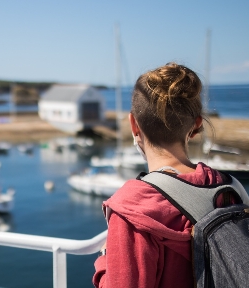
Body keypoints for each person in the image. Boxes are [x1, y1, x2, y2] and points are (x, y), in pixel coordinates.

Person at [93, 62, 228, 288]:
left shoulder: (133, 209)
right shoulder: (227, 187)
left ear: (134, 125)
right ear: (195, 126)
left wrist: (105, 260)